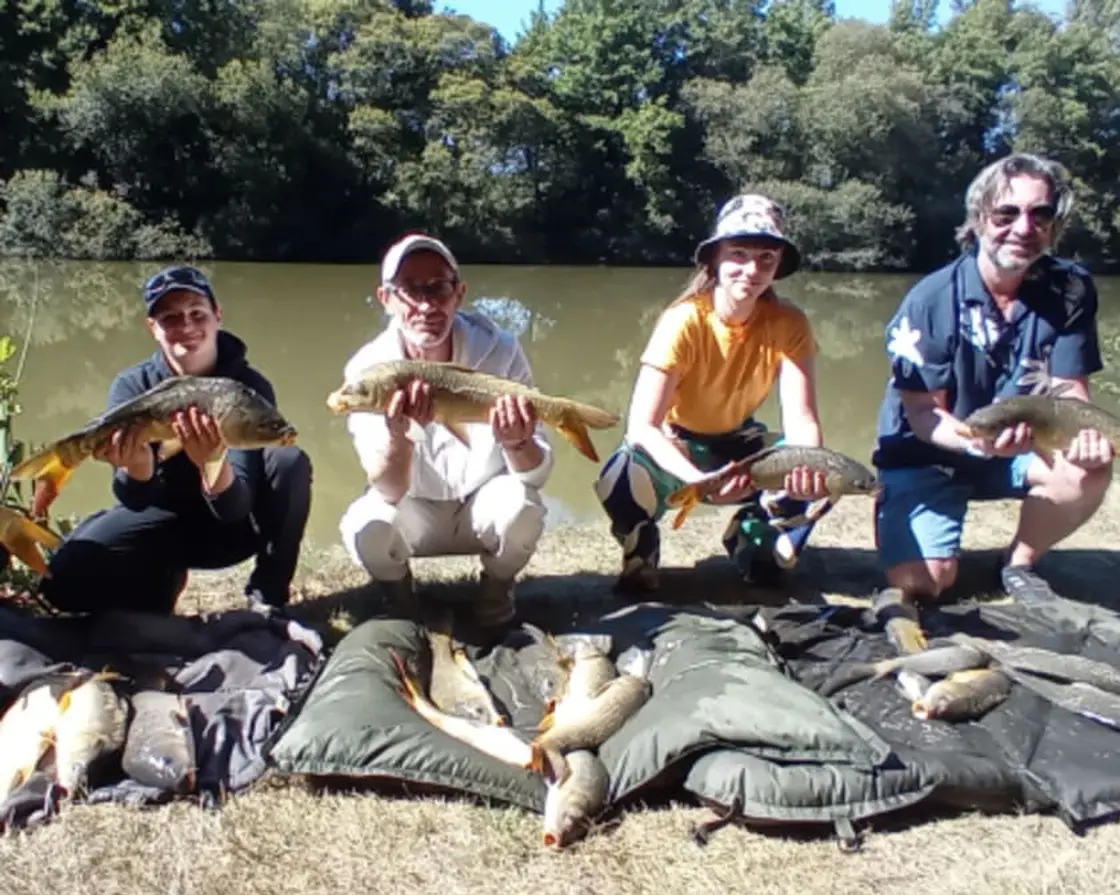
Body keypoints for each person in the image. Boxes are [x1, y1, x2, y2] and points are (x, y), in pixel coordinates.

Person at [872, 152, 1114, 608]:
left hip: (1026, 443)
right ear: (979, 218)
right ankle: (900, 514)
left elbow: (1069, 387)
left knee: (1087, 469)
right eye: (1007, 213)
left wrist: (1085, 434)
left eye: (1040, 214)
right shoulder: (930, 300)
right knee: (922, 585)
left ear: (1054, 223)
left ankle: (1018, 565)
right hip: (927, 452)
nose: (1024, 228)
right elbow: (924, 413)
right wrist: (972, 443)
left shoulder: (1072, 288)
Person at [39, 265, 313, 615]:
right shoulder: (133, 384)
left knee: (290, 462)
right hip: (161, 519)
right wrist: (138, 466)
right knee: (60, 584)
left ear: (217, 316)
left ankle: (269, 596)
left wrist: (211, 460)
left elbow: (234, 510)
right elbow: (135, 500)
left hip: (232, 530)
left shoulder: (246, 389)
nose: (186, 326)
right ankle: (159, 582)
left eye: (197, 313)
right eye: (169, 318)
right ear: (152, 328)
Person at [593, 193, 831, 592]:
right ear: (715, 260)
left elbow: (802, 418)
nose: (751, 270)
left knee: (826, 468)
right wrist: (700, 480)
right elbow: (642, 427)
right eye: (738, 254)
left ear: (778, 266)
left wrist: (807, 469)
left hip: (741, 440)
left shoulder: (790, 322)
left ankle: (751, 538)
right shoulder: (682, 321)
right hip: (678, 442)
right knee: (618, 475)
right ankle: (642, 548)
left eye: (766, 258)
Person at [337, 233, 553, 629]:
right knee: (366, 526)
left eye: (438, 287)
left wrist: (518, 443)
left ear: (460, 293)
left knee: (525, 505)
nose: (426, 303)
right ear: (385, 299)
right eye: (410, 290)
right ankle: (401, 599)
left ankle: (496, 590)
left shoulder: (501, 351)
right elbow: (387, 490)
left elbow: (536, 474)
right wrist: (401, 437)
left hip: (482, 502)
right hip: (414, 507)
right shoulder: (368, 372)